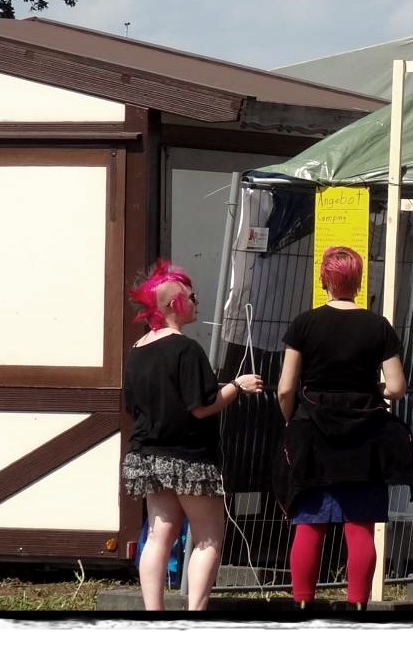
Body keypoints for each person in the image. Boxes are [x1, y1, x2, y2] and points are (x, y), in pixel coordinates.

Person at [275, 246, 413, 610]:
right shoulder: (378, 326)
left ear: (324, 280)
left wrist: (291, 419)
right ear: (358, 281)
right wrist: (372, 391)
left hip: (313, 434)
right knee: (360, 525)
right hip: (365, 437)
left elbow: (286, 388)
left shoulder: (304, 324)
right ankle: (357, 606)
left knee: (309, 524)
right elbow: (397, 387)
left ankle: (303, 604)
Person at [121, 259, 265, 611]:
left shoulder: (137, 350)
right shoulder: (186, 349)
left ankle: (154, 613)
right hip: (189, 459)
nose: (197, 302)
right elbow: (203, 406)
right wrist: (238, 386)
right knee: (208, 537)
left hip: (147, 457)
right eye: (192, 297)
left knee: (159, 535)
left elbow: (132, 406)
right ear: (174, 304)